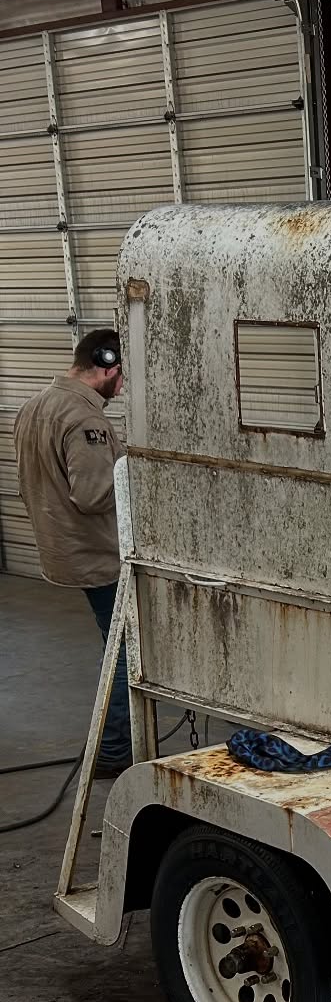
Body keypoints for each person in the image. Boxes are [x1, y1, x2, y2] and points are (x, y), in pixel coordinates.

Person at [14, 328, 132, 777]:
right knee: (123, 651)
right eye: (121, 376)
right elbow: (94, 494)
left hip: (61, 551)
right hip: (97, 556)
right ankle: (115, 750)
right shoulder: (86, 420)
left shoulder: (34, 406)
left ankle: (116, 740)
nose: (121, 388)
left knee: (114, 644)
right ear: (106, 365)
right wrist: (132, 473)